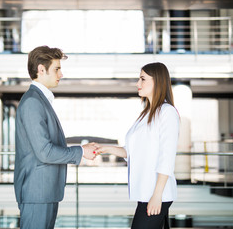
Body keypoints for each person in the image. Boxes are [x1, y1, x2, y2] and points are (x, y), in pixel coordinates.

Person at [14, 45, 97, 229]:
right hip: (37, 194)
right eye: (57, 69)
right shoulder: (33, 103)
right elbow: (44, 152)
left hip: (45, 193)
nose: (61, 74)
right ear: (41, 70)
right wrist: (81, 151)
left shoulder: (40, 101)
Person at [95, 62, 180, 229]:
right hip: (146, 193)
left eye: (142, 79)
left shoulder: (167, 112)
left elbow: (167, 157)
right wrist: (104, 148)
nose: (137, 83)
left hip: (156, 194)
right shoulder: (146, 113)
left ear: (158, 82)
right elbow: (130, 151)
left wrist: (157, 195)